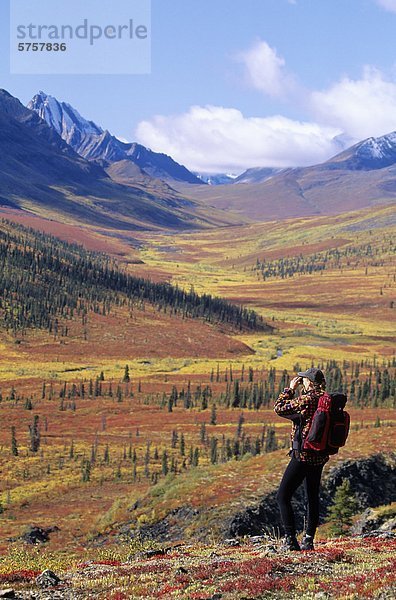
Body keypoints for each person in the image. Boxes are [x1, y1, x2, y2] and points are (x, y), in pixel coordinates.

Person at [274, 367, 329, 551]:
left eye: (304, 379)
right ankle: (308, 540)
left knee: (282, 496)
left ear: (310, 382)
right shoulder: (325, 399)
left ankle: (290, 540)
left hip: (303, 455)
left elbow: (279, 408)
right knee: (312, 496)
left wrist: (289, 389)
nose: (302, 382)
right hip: (319, 456)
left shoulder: (307, 399)